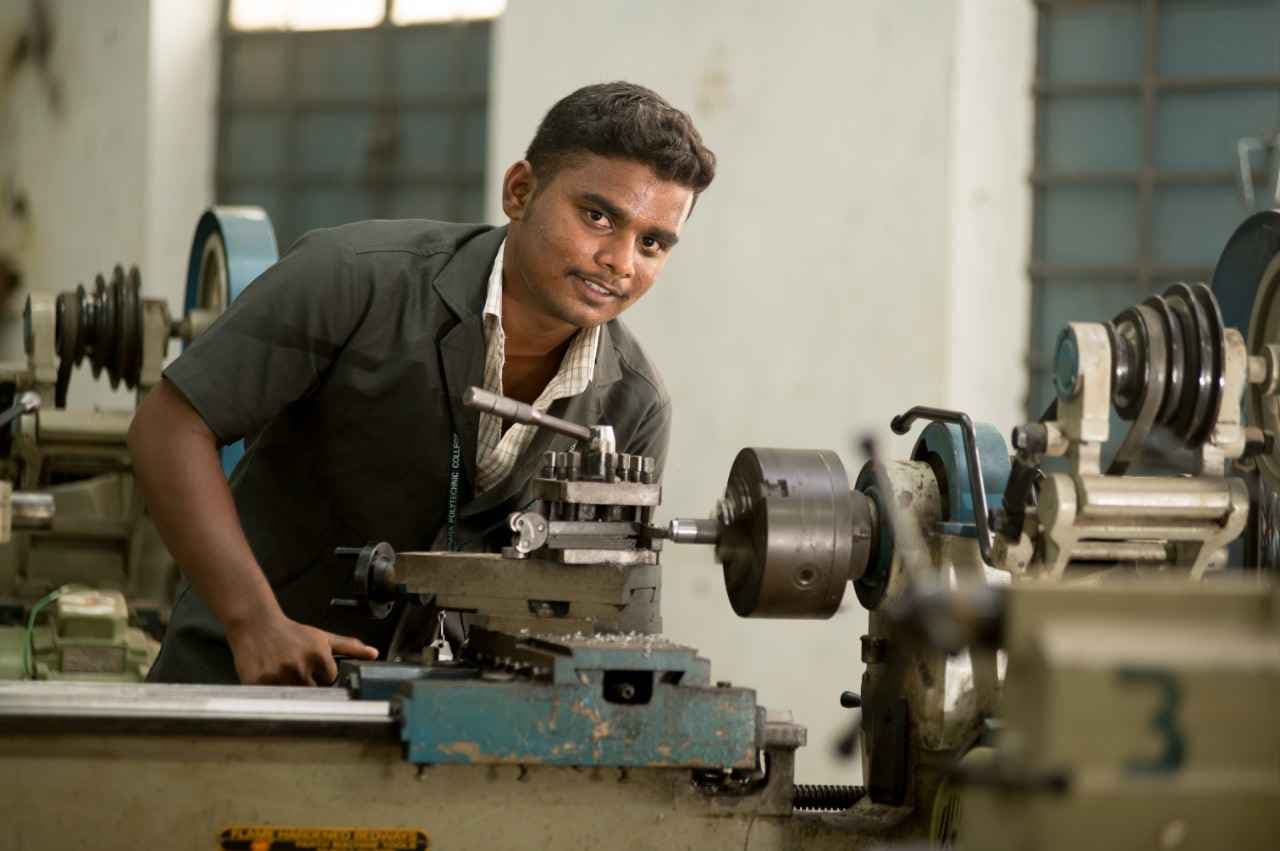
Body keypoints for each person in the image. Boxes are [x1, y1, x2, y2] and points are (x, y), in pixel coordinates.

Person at [131, 81, 716, 686]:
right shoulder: (353, 280)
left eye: (652, 243)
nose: (620, 261)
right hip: (244, 682)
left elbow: (608, 603)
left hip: (449, 734)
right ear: (521, 191)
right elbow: (169, 426)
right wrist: (252, 621)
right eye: (598, 217)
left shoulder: (634, 405)